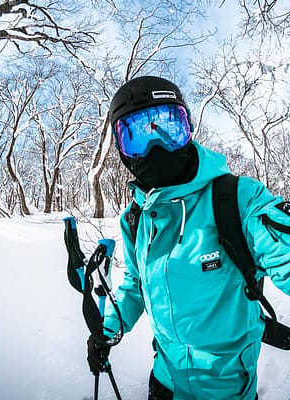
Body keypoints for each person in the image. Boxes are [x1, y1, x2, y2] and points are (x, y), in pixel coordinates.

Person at [87, 76, 290, 399]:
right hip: (165, 379)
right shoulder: (136, 219)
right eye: (136, 137)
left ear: (189, 130)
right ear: (122, 149)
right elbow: (135, 286)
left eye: (169, 128)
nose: (156, 147)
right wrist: (108, 330)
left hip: (226, 388)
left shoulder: (238, 200)